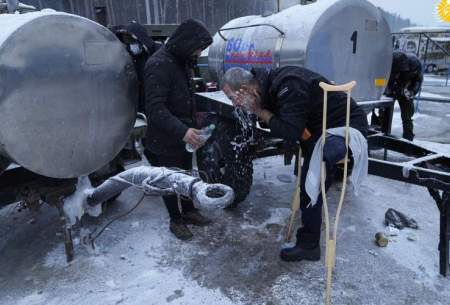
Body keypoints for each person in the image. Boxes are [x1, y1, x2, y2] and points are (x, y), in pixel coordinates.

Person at [221, 66, 368, 262]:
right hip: (319, 129)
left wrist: (257, 110)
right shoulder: (269, 87)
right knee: (309, 179)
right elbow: (280, 122)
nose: (236, 104)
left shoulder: (288, 86)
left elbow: (290, 131)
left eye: (233, 98)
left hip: (345, 129)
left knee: (312, 181)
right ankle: (313, 217)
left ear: (246, 89)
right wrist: (259, 111)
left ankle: (309, 246)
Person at [143, 19, 213, 240]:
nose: (200, 52)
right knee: (169, 180)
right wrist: (183, 131)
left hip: (183, 133)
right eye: (199, 47)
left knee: (185, 175)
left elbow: (185, 97)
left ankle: (189, 211)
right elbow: (155, 109)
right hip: (164, 137)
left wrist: (195, 124)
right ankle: (176, 220)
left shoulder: (181, 61)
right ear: (187, 42)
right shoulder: (158, 64)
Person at [384, 51, 423, 141]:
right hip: (393, 88)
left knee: (407, 115)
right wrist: (387, 90)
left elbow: (418, 80)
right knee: (384, 111)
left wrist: (412, 91)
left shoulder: (414, 63)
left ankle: (408, 137)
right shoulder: (392, 61)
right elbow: (386, 78)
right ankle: (382, 131)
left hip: (406, 90)